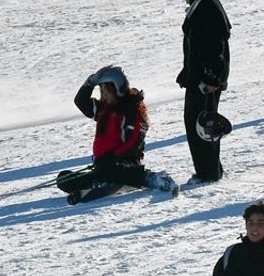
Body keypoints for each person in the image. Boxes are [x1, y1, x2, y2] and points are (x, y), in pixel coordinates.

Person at [58, 66, 178, 205]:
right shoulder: (102, 109)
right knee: (63, 179)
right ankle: (99, 182)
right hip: (103, 165)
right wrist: (90, 82)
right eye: (101, 90)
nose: (103, 95)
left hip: (124, 162)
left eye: (106, 91)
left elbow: (133, 141)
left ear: (118, 89)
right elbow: (81, 102)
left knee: (110, 170)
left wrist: (114, 157)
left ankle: (152, 179)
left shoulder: (131, 110)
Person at [177, 0, 232, 184]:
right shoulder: (204, 5)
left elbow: (213, 49)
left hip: (205, 82)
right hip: (199, 78)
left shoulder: (206, 10)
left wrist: (211, 79)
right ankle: (211, 168)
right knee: (200, 123)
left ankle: (208, 172)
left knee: (202, 126)